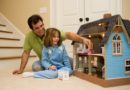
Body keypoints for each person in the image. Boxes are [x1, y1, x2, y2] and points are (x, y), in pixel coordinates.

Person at [13, 14, 93, 75]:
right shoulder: (29, 37)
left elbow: (68, 35)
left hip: (60, 60)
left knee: (75, 64)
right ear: (32, 29)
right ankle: (53, 71)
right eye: (37, 28)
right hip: (46, 61)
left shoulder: (51, 32)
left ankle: (57, 70)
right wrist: (21, 70)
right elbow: (26, 53)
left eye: (41, 26)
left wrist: (82, 39)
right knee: (36, 67)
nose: (40, 29)